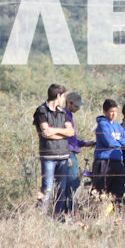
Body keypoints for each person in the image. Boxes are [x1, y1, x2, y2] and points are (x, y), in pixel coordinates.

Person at [33, 83, 74, 216]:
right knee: (47, 189)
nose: (64, 100)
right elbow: (46, 132)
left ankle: (58, 217)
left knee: (61, 190)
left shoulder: (63, 113)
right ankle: (40, 217)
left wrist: (54, 131)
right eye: (63, 97)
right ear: (58, 96)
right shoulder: (41, 111)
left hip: (63, 156)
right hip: (48, 157)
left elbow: (71, 132)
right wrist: (62, 133)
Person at [60, 91, 94, 214]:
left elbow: (72, 139)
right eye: (76, 105)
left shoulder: (68, 115)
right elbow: (63, 138)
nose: (78, 108)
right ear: (69, 103)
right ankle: (71, 212)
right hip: (68, 153)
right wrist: (67, 154)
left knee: (66, 185)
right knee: (72, 184)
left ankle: (65, 212)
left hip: (70, 151)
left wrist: (84, 143)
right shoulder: (64, 116)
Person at [93, 99, 125, 202]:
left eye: (115, 111)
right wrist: (119, 144)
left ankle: (120, 216)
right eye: (111, 111)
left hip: (117, 162)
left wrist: (117, 139)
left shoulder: (118, 126)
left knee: (120, 194)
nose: (114, 114)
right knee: (100, 193)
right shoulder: (102, 125)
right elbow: (108, 142)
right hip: (104, 161)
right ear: (105, 111)